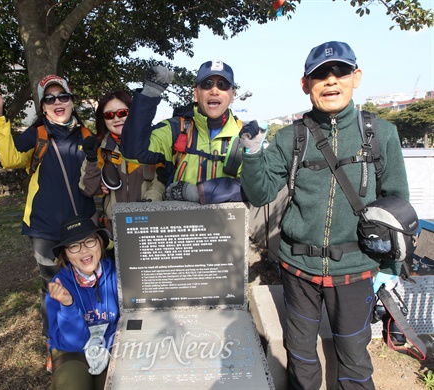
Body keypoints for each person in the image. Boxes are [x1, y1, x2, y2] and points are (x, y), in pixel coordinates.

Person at [240, 41, 410, 389]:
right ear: (306, 85)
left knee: (355, 358)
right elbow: (259, 194)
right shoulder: (290, 137)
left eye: (340, 72)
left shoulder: (381, 134)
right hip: (298, 269)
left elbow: (398, 204)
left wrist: (390, 269)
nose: (331, 81)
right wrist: (253, 154)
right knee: (300, 353)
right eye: (320, 75)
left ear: (356, 77)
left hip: (357, 269)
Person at [0, 75, 96, 364]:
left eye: (63, 97)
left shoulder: (87, 137)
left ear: (72, 101)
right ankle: (54, 342)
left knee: (89, 281)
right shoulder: (38, 135)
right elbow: (9, 159)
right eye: (50, 98)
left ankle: (93, 333)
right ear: (43, 106)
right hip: (45, 227)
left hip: (84, 226)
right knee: (52, 286)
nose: (58, 102)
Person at [120, 60, 258, 204]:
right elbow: (133, 152)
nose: (214, 90)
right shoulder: (175, 129)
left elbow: (255, 188)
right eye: (207, 84)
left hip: (226, 224)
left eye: (222, 85)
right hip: (181, 224)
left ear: (233, 95)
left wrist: (199, 193)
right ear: (196, 94)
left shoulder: (245, 136)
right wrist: (149, 94)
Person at [46, 216, 119, 390]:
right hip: (72, 351)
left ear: (100, 243)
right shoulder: (59, 285)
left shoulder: (118, 274)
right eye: (74, 246)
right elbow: (71, 342)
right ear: (66, 253)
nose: (84, 251)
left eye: (89, 242)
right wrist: (68, 305)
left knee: (112, 384)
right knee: (73, 383)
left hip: (111, 346)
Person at [79, 90, 166, 234]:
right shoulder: (100, 150)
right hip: (112, 230)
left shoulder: (153, 145)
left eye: (122, 113)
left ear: (133, 113)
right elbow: (88, 189)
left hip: (148, 224)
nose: (116, 119)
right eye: (109, 115)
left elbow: (160, 182)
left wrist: (148, 206)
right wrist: (92, 159)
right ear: (103, 120)